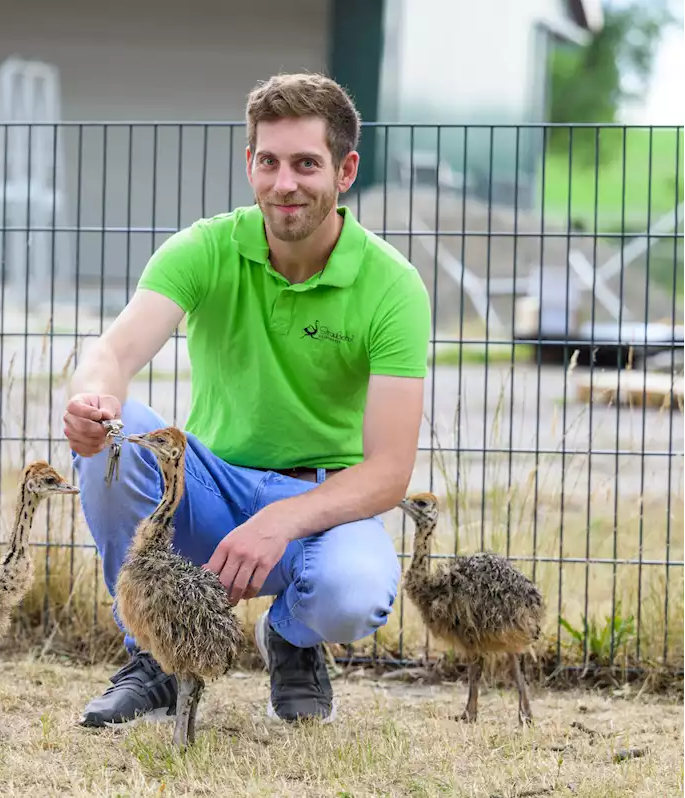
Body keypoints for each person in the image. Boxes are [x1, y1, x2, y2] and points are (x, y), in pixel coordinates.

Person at [63, 72, 431, 727]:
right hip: (210, 490)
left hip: (321, 503)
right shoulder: (206, 247)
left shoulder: (393, 287)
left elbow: (388, 470)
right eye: (269, 162)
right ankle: (154, 657)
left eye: (306, 164)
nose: (284, 183)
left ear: (346, 171)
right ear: (249, 164)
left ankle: (291, 639)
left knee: (355, 593)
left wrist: (281, 521)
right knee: (119, 443)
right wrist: (93, 402)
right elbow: (113, 352)